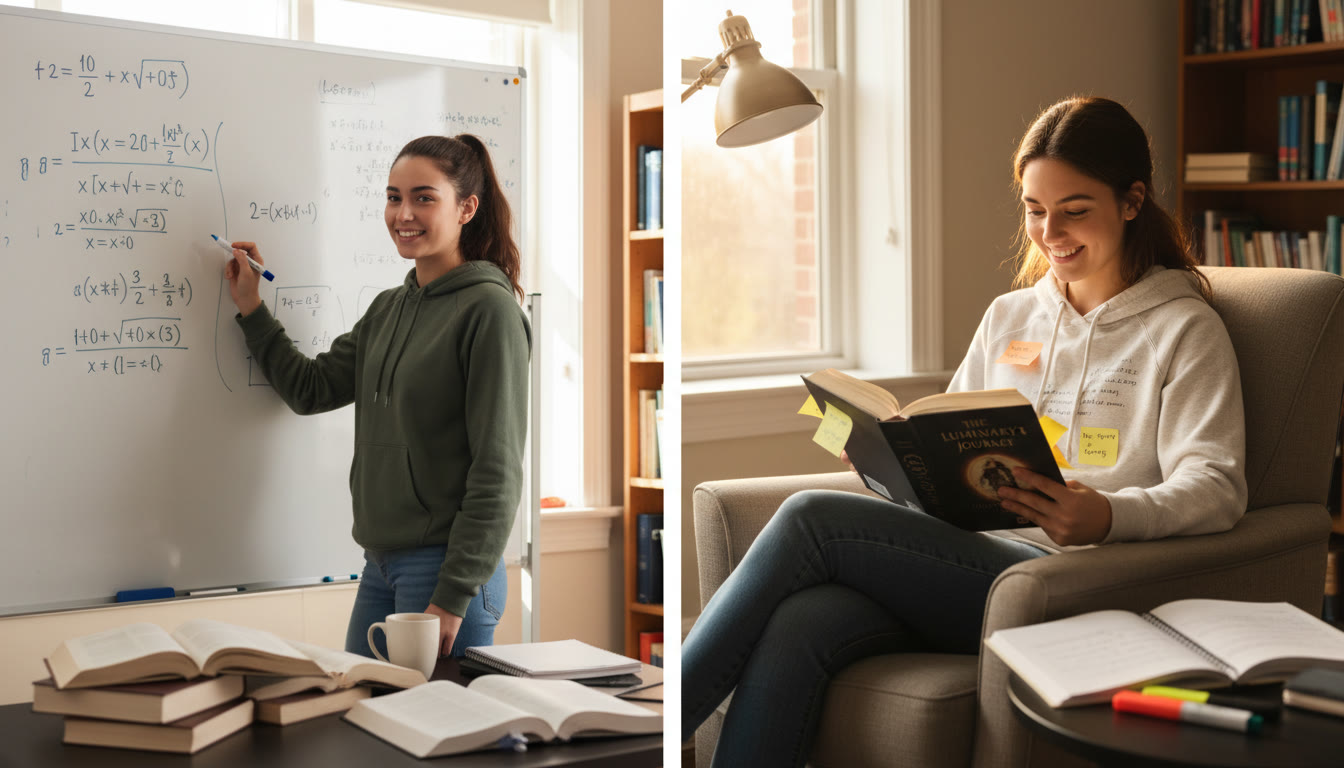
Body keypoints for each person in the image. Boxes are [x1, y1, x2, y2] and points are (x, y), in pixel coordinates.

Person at [681, 96, 1248, 767]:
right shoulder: (1011, 317)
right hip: (969, 564)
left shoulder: (1184, 329)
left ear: (1131, 202)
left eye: (1074, 209)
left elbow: (1216, 485)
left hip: (1072, 580)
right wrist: (888, 461)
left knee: (810, 517)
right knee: (803, 622)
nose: (1049, 231)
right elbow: (947, 444)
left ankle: (652, 730)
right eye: (1034, 209)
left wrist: (1105, 515)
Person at [224, 134, 531, 660]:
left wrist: (453, 596)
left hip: (445, 572)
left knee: (433, 735)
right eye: (393, 197)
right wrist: (253, 308)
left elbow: (497, 470)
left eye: (423, 197)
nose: (403, 213)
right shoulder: (389, 308)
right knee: (363, 724)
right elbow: (310, 388)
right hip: (380, 564)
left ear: (467, 209)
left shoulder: (490, 312)